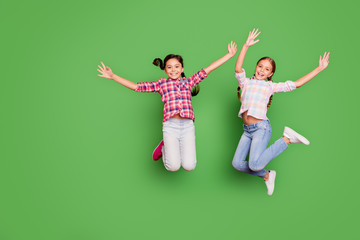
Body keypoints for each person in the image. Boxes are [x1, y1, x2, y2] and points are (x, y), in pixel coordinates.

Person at [97, 41, 237, 171]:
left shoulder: (188, 82)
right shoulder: (161, 83)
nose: (173, 70)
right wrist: (113, 76)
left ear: (182, 68)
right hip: (170, 126)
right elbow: (136, 87)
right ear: (165, 70)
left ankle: (169, 146)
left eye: (176, 67)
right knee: (173, 167)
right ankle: (164, 146)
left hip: (187, 126)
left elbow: (209, 69)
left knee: (189, 166)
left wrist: (229, 55)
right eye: (169, 67)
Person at [232, 29, 330, 196]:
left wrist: (318, 69)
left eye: (267, 69)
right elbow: (238, 67)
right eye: (260, 66)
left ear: (271, 74)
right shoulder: (246, 83)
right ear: (256, 67)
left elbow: (297, 84)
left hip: (261, 128)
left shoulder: (270, 86)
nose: (262, 70)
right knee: (237, 164)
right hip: (247, 131)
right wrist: (246, 46)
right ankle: (267, 175)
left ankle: (287, 139)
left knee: (255, 164)